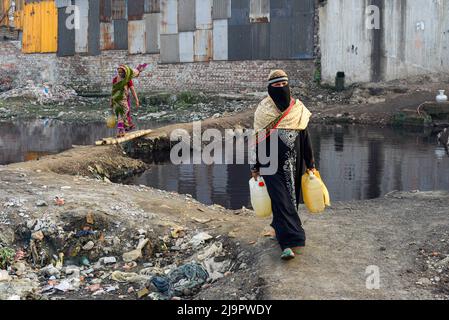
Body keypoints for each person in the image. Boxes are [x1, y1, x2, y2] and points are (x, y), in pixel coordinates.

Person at [251, 69, 316, 260]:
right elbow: (258, 140)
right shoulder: (263, 111)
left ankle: (280, 227)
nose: (281, 88)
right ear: (269, 89)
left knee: (291, 200)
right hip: (270, 165)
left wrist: (310, 163)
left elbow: (305, 138)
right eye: (276, 85)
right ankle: (288, 243)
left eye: (283, 85)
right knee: (281, 200)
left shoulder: (298, 110)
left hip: (293, 165)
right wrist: (255, 166)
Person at [110, 64, 146, 137]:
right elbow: (113, 91)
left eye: (121, 72)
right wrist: (111, 100)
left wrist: (136, 100)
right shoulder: (115, 79)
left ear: (125, 72)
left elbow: (133, 90)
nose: (120, 74)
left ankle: (122, 130)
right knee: (123, 113)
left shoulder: (127, 79)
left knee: (122, 114)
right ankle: (121, 130)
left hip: (123, 99)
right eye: (119, 72)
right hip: (118, 99)